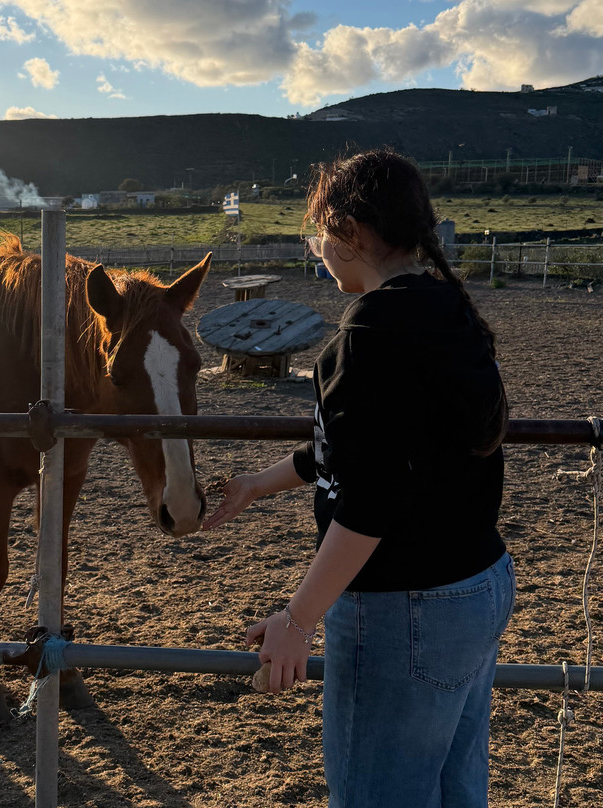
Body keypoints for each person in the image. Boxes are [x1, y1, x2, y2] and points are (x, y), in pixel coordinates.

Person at [203, 148, 516, 807]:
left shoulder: (368, 334)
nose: (317, 247)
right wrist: (260, 482)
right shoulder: (444, 311)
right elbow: (382, 451)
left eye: (319, 231)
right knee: (457, 791)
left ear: (351, 230)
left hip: (404, 609)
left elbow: (373, 498)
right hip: (476, 586)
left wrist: (298, 618)